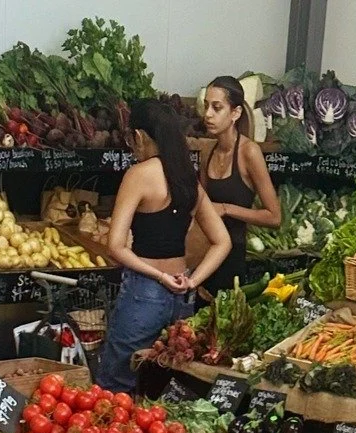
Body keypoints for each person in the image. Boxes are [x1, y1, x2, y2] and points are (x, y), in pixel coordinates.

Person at [97, 98, 231, 393]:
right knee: (165, 386)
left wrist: (159, 277)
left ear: (140, 136)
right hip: (182, 298)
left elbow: (115, 246)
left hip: (145, 293)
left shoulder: (139, 175)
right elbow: (223, 241)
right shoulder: (188, 180)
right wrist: (191, 281)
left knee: (117, 383)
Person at [200, 77, 280, 294]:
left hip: (233, 258)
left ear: (235, 113)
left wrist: (226, 209)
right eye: (206, 106)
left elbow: (274, 216)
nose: (208, 114)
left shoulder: (249, 152)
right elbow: (201, 204)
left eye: (217, 108)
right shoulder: (207, 152)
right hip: (205, 256)